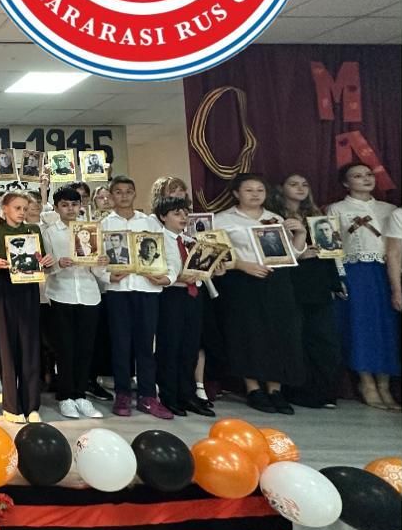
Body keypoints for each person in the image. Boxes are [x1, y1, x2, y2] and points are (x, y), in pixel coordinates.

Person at [214, 172, 306, 416]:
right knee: (248, 333)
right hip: (241, 280)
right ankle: (253, 388)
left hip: (276, 280)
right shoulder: (222, 220)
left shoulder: (274, 218)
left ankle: (275, 389)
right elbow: (214, 253)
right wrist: (241, 265)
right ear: (236, 193)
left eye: (260, 190)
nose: (255, 195)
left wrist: (300, 234)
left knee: (279, 333)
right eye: (249, 190)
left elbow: (291, 255)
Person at [326, 163, 401, 410]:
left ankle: (385, 385)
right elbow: (331, 246)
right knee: (360, 327)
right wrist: (337, 277)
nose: (365, 179)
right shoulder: (337, 209)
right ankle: (366, 383)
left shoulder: (389, 209)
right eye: (357, 176)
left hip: (385, 272)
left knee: (386, 328)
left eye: (369, 174)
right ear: (345, 183)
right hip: (355, 272)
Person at [98, 176, 174, 419]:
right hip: (118, 292)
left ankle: (148, 396)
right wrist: (107, 276)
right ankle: (122, 393)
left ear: (134, 194)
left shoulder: (150, 223)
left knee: (146, 345)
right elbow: (95, 260)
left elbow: (168, 254)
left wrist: (167, 278)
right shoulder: (103, 225)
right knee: (120, 344)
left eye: (128, 191)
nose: (123, 196)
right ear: (111, 196)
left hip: (147, 289)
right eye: (118, 192)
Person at [270, 174, 343, 410]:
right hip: (291, 280)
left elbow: (331, 253)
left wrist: (336, 282)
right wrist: (301, 252)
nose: (300, 188)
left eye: (304, 184)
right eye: (293, 184)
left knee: (324, 338)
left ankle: (325, 391)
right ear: (281, 189)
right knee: (296, 337)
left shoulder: (318, 216)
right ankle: (298, 390)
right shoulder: (274, 217)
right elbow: (274, 254)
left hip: (318, 281)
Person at [0, 190, 55, 423]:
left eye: (25, 208)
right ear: (4, 209)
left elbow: (41, 260)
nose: (22, 212)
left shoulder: (33, 231)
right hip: (4, 290)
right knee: (8, 347)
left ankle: (31, 405)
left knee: (30, 346)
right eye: (17, 208)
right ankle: (11, 405)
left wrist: (46, 261)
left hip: (29, 290)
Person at [40, 186, 104, 419]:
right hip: (61, 293)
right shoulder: (49, 233)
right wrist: (58, 264)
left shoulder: (91, 230)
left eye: (74, 204)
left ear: (81, 206)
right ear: (57, 208)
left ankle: (81, 396)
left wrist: (101, 262)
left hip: (88, 294)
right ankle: (65, 396)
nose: (70, 209)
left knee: (85, 348)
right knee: (64, 348)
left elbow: (98, 271)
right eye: (65, 205)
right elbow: (44, 267)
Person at [153, 196, 214, 418]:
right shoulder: (158, 239)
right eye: (177, 213)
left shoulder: (190, 241)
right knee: (170, 346)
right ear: (163, 216)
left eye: (185, 214)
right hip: (171, 295)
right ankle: (169, 396)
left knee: (190, 346)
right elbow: (157, 268)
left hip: (193, 295)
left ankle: (187, 394)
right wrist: (177, 277)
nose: (183, 218)